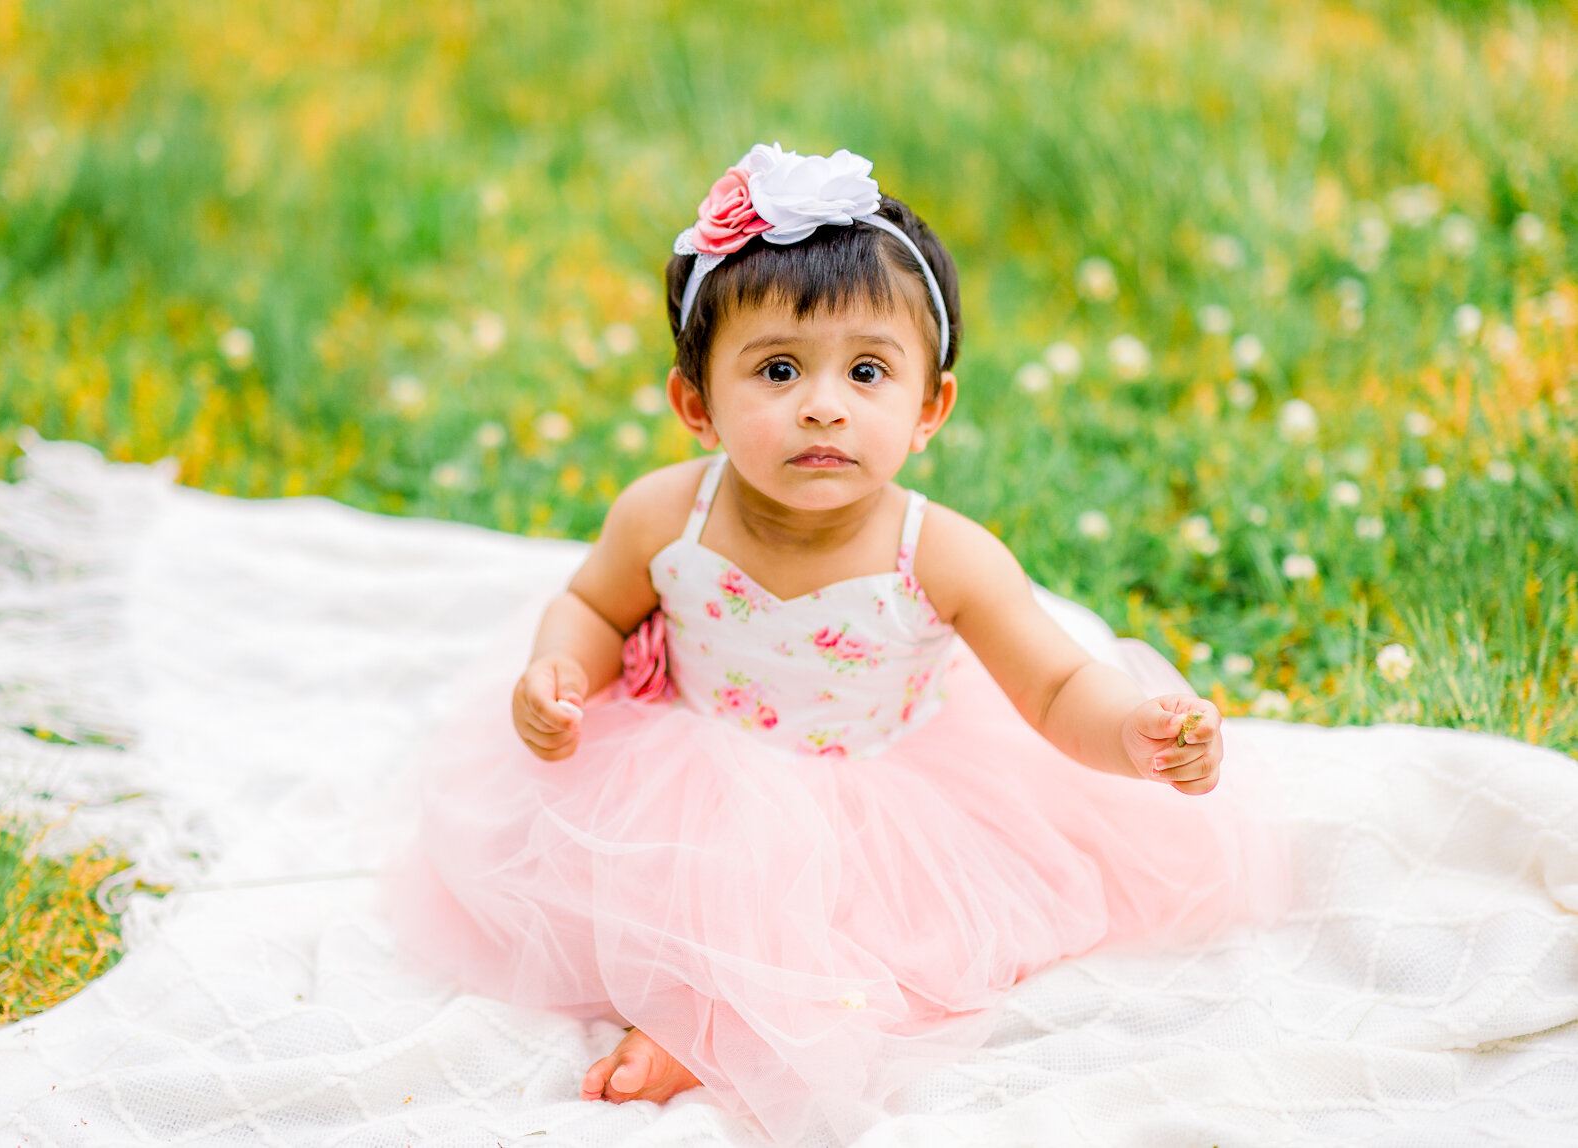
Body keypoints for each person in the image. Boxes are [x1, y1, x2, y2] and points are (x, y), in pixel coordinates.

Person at [390, 143, 1285, 1145]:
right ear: (696, 404)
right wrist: (558, 672)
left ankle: (714, 1027)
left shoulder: (942, 554)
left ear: (930, 407)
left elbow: (1057, 683)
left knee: (864, 936)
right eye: (778, 368)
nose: (823, 403)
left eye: (867, 370)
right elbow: (593, 608)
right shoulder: (662, 516)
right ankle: (690, 1006)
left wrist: (1132, 732)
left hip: (881, 793)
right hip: (692, 777)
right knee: (674, 890)